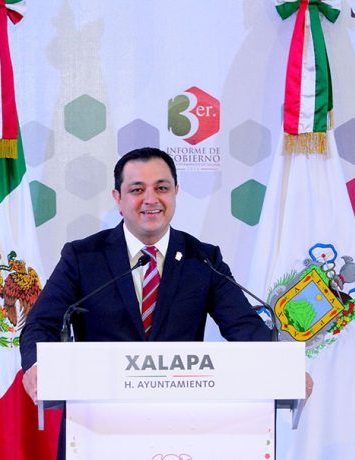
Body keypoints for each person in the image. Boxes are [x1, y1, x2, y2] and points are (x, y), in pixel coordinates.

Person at [19, 148, 313, 456]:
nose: (151, 199)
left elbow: (244, 327)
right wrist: (38, 367)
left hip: (183, 430)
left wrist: (284, 368)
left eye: (161, 188)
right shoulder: (83, 257)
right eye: (137, 190)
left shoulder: (203, 259)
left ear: (176, 192)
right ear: (118, 198)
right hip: (96, 429)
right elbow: (41, 323)